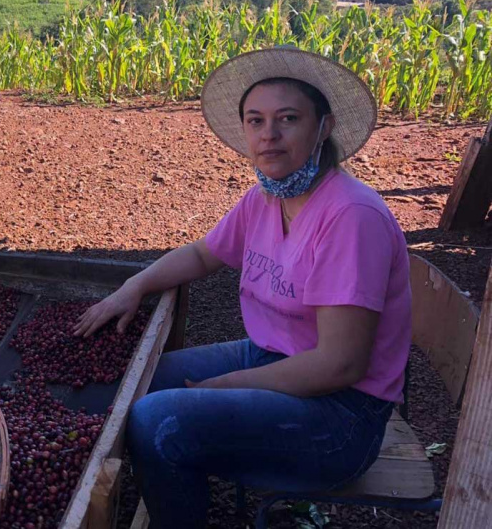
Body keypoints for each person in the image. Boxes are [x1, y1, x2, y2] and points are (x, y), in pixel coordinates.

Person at [74, 47, 411, 528]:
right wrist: (133, 285)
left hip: (340, 417)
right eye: (255, 121)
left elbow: (341, 363)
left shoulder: (350, 217)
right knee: (140, 377)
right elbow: (202, 254)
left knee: (157, 420)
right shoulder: (267, 198)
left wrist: (222, 388)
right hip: (274, 357)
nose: (268, 135)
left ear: (324, 126)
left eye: (287, 119)